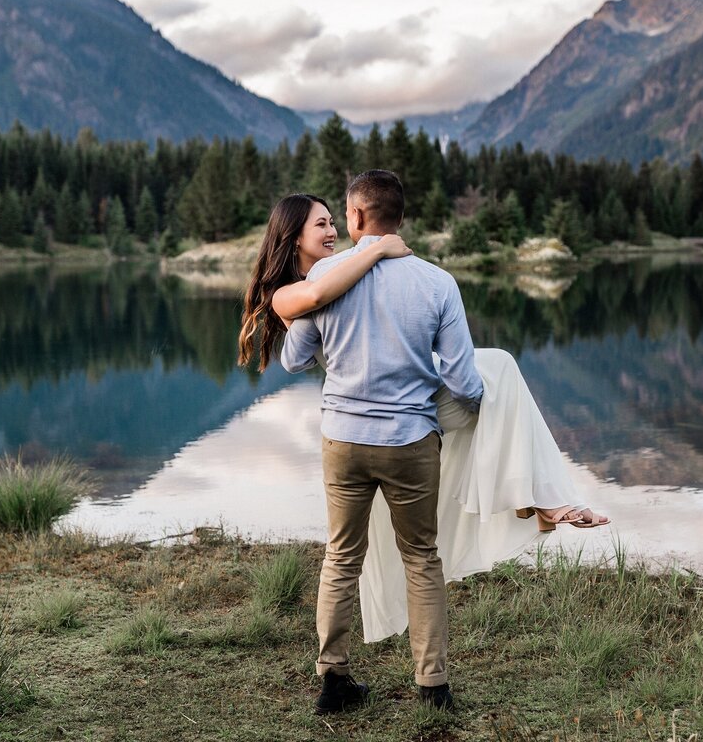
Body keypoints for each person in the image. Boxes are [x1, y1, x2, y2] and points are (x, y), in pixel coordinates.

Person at [237, 175, 608, 714]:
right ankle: (432, 686)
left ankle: (333, 682)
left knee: (341, 557)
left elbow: (294, 360)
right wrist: (469, 406)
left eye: (341, 216)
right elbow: (463, 382)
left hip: (342, 439)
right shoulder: (437, 284)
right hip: (410, 440)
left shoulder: (326, 277)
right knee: (421, 557)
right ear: (399, 219)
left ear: (359, 217)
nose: (338, 225)